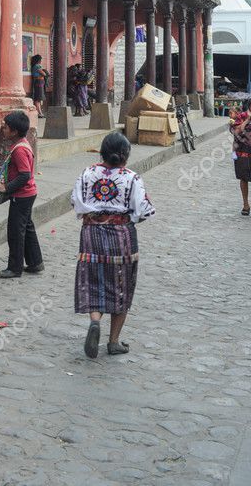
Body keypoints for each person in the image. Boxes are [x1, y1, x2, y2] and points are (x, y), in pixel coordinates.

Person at [71, 132, 155, 360]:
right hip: (122, 237)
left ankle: (95, 321)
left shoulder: (87, 173)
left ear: (102, 152)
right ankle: (114, 341)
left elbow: (75, 202)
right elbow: (144, 210)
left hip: (91, 234)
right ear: (126, 155)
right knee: (122, 283)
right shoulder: (132, 178)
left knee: (93, 278)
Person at [0, 110, 44, 279]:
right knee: (27, 227)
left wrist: (6, 188)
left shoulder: (19, 150)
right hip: (27, 193)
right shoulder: (21, 143)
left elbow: (24, 175)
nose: (3, 130)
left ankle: (14, 268)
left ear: (14, 131)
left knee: (15, 232)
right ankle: (35, 262)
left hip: (22, 195)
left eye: (5, 128)